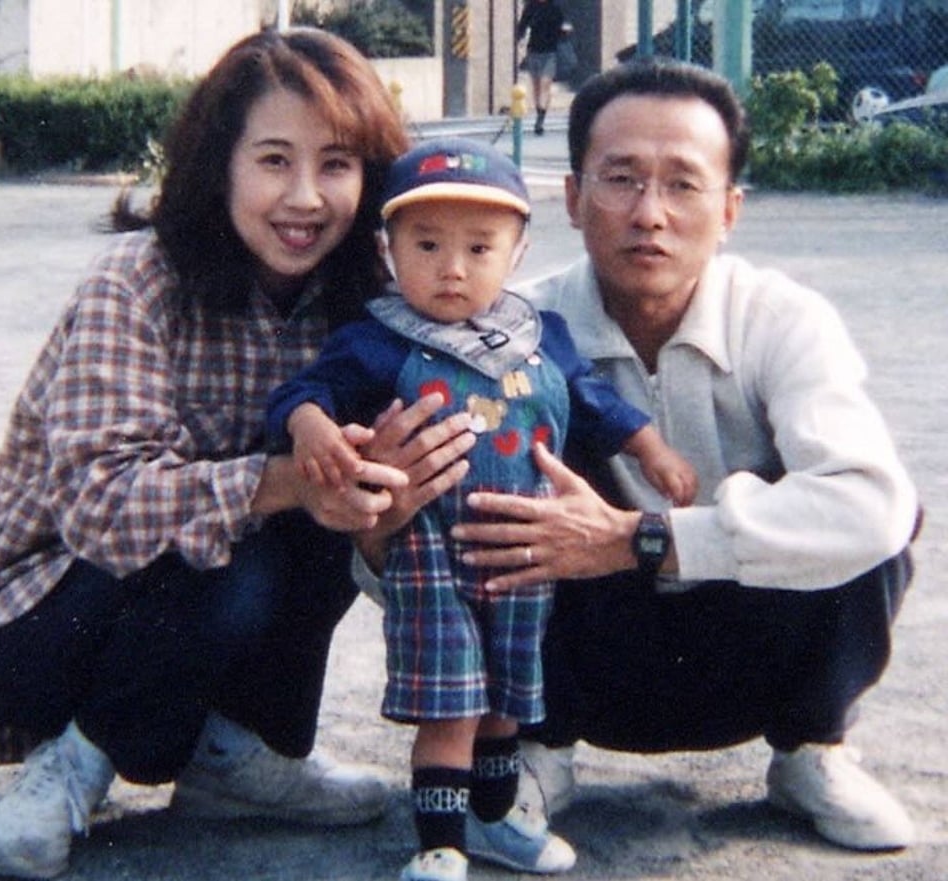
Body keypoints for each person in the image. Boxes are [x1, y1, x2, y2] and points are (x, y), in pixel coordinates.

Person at [366, 58, 922, 857]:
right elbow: (393, 550)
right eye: (621, 179)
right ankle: (526, 753)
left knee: (874, 517)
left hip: (749, 648)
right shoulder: (502, 330)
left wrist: (641, 538)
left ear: (729, 209)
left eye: (683, 184)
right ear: (572, 198)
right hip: (579, 660)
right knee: (492, 469)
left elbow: (873, 505)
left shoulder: (783, 319)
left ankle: (811, 745)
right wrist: (381, 524)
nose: (649, 214)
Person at [0, 27, 436, 881]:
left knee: (335, 489)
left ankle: (239, 758)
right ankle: (72, 767)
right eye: (274, 160)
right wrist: (285, 481)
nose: (305, 197)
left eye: (337, 164)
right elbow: (100, 505)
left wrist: (382, 494)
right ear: (220, 164)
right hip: (33, 635)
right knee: (250, 546)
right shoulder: (137, 280)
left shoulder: (369, 306)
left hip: (188, 628)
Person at [267, 137, 696, 881]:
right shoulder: (374, 340)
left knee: (506, 696)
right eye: (427, 245)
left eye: (479, 247)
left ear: (517, 251)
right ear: (388, 248)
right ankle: (439, 842)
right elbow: (303, 392)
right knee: (451, 702)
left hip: (523, 547)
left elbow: (592, 399)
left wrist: (650, 446)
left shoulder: (540, 334)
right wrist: (310, 425)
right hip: (429, 551)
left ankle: (494, 820)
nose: (453, 268)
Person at [516, 0, 566, 135]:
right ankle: (539, 111)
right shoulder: (531, 7)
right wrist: (519, 38)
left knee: (545, 83)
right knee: (536, 85)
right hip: (533, 51)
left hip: (550, 53)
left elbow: (560, 28)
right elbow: (522, 25)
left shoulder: (554, 9)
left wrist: (563, 32)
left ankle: (540, 119)